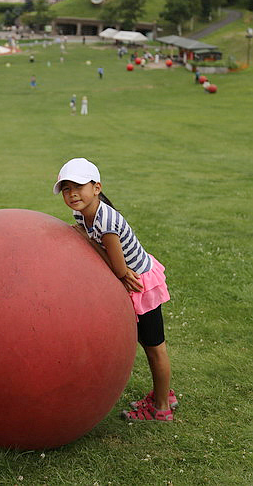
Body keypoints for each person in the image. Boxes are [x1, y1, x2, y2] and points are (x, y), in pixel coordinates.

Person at [53, 158, 176, 422]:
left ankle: (162, 407)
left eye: (79, 186)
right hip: (131, 283)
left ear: (97, 188)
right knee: (147, 343)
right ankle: (163, 393)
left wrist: (87, 241)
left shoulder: (105, 222)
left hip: (140, 285)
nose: (72, 193)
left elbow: (119, 270)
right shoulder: (82, 213)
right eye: (66, 188)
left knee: (155, 348)